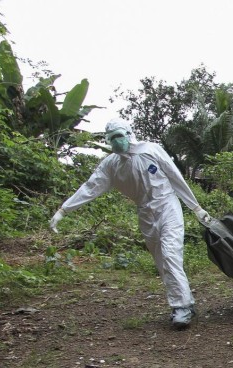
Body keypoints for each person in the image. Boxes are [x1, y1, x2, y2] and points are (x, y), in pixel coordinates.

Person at [49, 118, 211, 330]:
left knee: (171, 253)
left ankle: (181, 308)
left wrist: (196, 208)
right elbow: (90, 187)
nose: (117, 141)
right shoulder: (111, 165)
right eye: (112, 138)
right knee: (161, 260)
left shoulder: (151, 150)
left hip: (167, 206)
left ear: (129, 134)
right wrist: (64, 210)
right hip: (145, 212)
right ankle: (185, 301)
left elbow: (175, 177)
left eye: (120, 135)